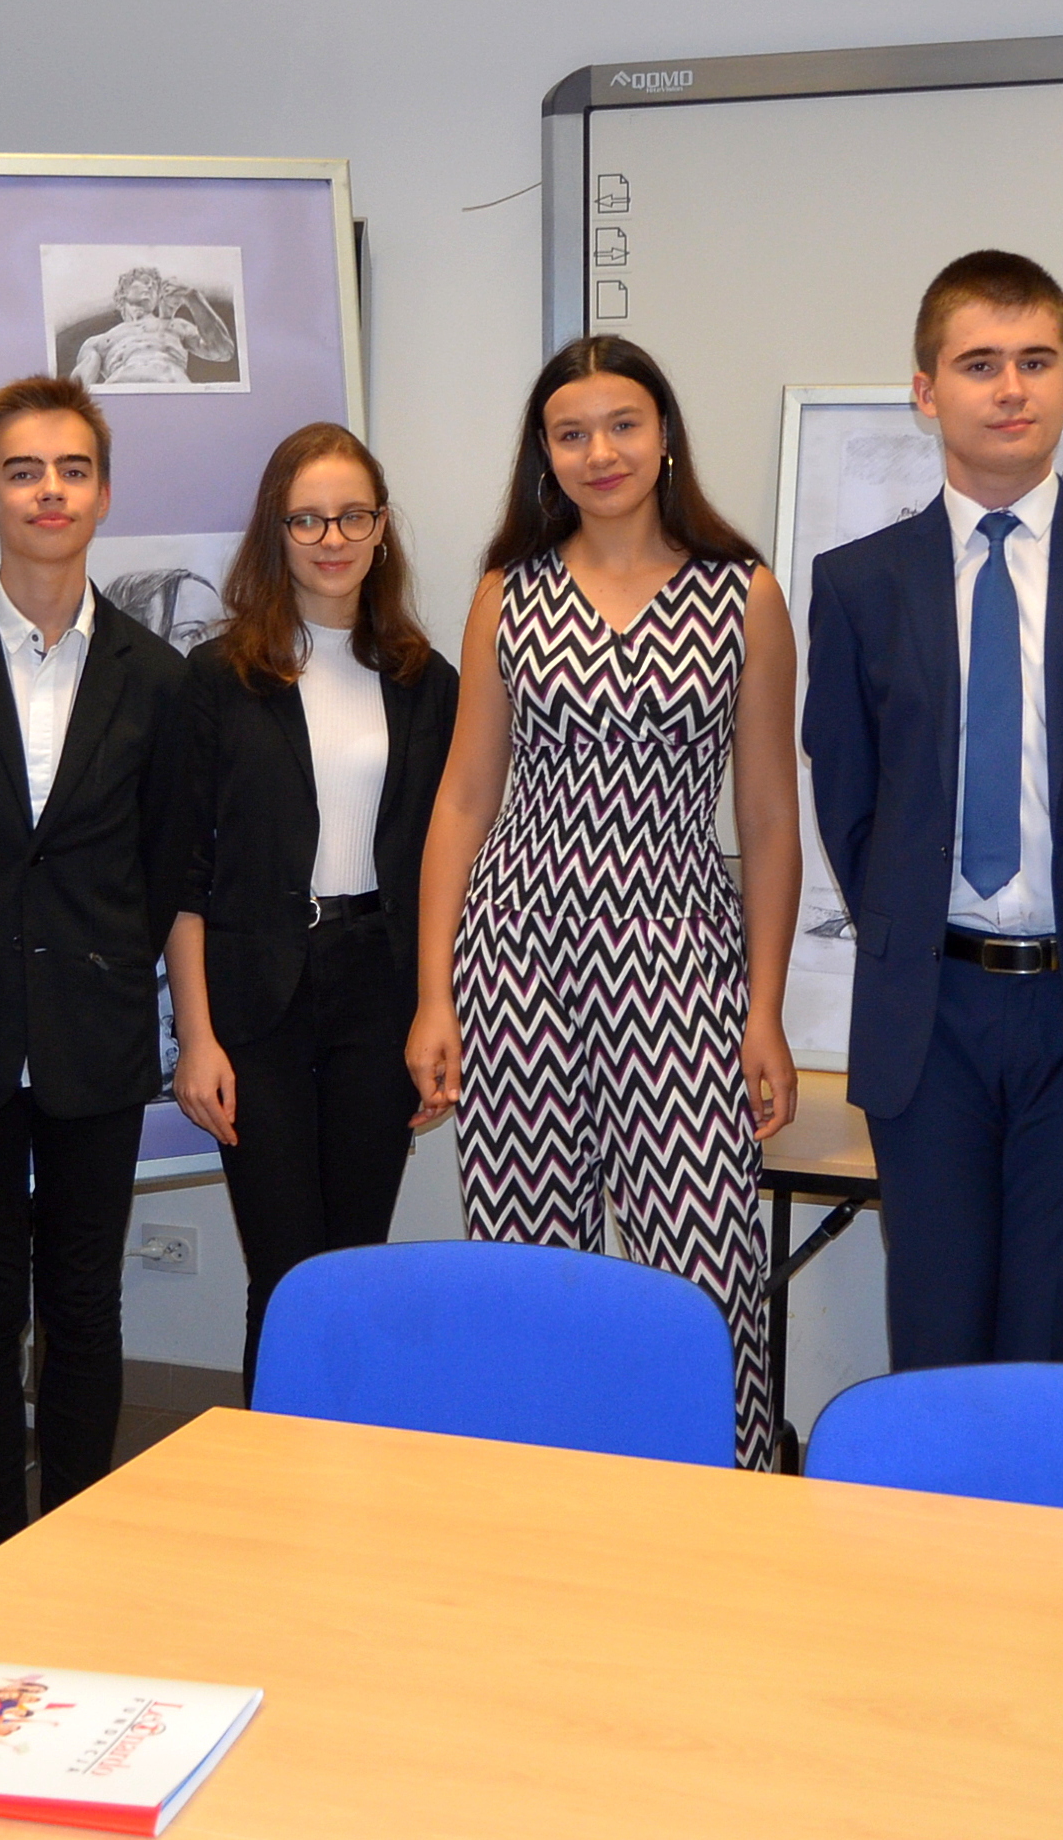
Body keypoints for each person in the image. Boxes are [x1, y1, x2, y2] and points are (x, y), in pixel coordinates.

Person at [802, 251, 1063, 1373]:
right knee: (934, 1340)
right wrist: (904, 927)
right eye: (979, 363)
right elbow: (848, 796)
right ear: (924, 389)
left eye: (1035, 362)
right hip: (929, 1013)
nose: (1009, 389)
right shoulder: (858, 582)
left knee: (1054, 1343)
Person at [408, 336, 802, 1471]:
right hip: (514, 959)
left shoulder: (742, 594)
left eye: (622, 424)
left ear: (664, 432)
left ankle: (721, 1508)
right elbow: (463, 801)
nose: (600, 452)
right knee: (529, 1272)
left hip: (679, 963)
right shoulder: (507, 593)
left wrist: (763, 1009)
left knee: (708, 1271)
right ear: (545, 453)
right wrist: (434, 996)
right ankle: (539, 1504)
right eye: (571, 433)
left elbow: (769, 819)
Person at [0, 376, 190, 1554]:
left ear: (102, 495)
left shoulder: (157, 676)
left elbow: (163, 865)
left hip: (92, 1039)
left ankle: (66, 1554)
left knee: (81, 1305)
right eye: (23, 472)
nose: (49, 491)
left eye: (72, 470)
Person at [167, 424, 459, 1393]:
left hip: (378, 991)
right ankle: (274, 1477)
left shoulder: (426, 681)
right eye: (307, 519)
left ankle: (350, 1469)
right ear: (276, 532)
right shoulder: (217, 679)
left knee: (354, 1270)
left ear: (381, 528)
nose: (331, 538)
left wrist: (436, 1009)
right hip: (256, 1006)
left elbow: (445, 867)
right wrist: (196, 1039)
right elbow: (185, 876)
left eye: (351, 516)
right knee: (287, 1277)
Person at [70, 267, 235, 388]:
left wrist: (192, 297)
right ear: (123, 291)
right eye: (144, 281)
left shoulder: (175, 326)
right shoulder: (99, 341)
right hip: (121, 398)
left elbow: (223, 351)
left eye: (155, 286)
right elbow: (76, 390)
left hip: (174, 394)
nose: (150, 287)